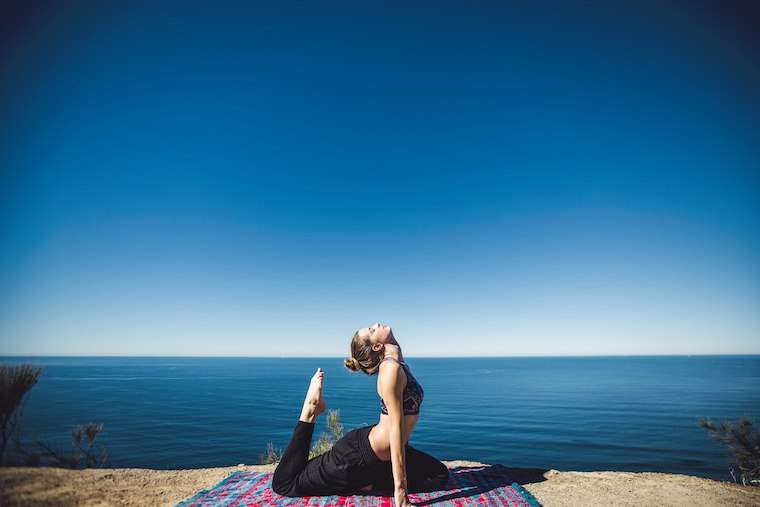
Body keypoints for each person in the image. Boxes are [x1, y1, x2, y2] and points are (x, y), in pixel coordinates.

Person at [271, 322, 449, 506]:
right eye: (372, 330)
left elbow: (394, 350)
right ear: (377, 346)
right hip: (357, 457)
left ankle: (367, 481)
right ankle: (310, 412)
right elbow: (395, 431)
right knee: (286, 484)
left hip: (379, 453)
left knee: (439, 475)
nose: (376, 324)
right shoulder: (390, 370)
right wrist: (401, 494)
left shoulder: (397, 361)